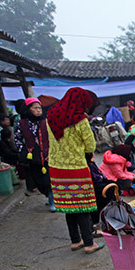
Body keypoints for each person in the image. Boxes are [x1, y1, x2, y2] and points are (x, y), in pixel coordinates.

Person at [46, 87, 103, 254]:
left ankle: (75, 241)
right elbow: (91, 145)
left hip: (56, 168)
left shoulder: (51, 115)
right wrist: (83, 153)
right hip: (76, 167)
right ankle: (89, 243)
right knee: (83, 206)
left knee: (69, 206)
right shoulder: (79, 120)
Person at [16, 98, 54, 209]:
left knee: (49, 179)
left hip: (47, 155)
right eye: (35, 108)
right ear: (28, 110)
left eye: (39, 108)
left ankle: (52, 199)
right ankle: (48, 195)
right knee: (38, 180)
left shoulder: (46, 122)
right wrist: (23, 151)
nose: (38, 110)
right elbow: (17, 139)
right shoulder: (21, 123)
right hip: (32, 156)